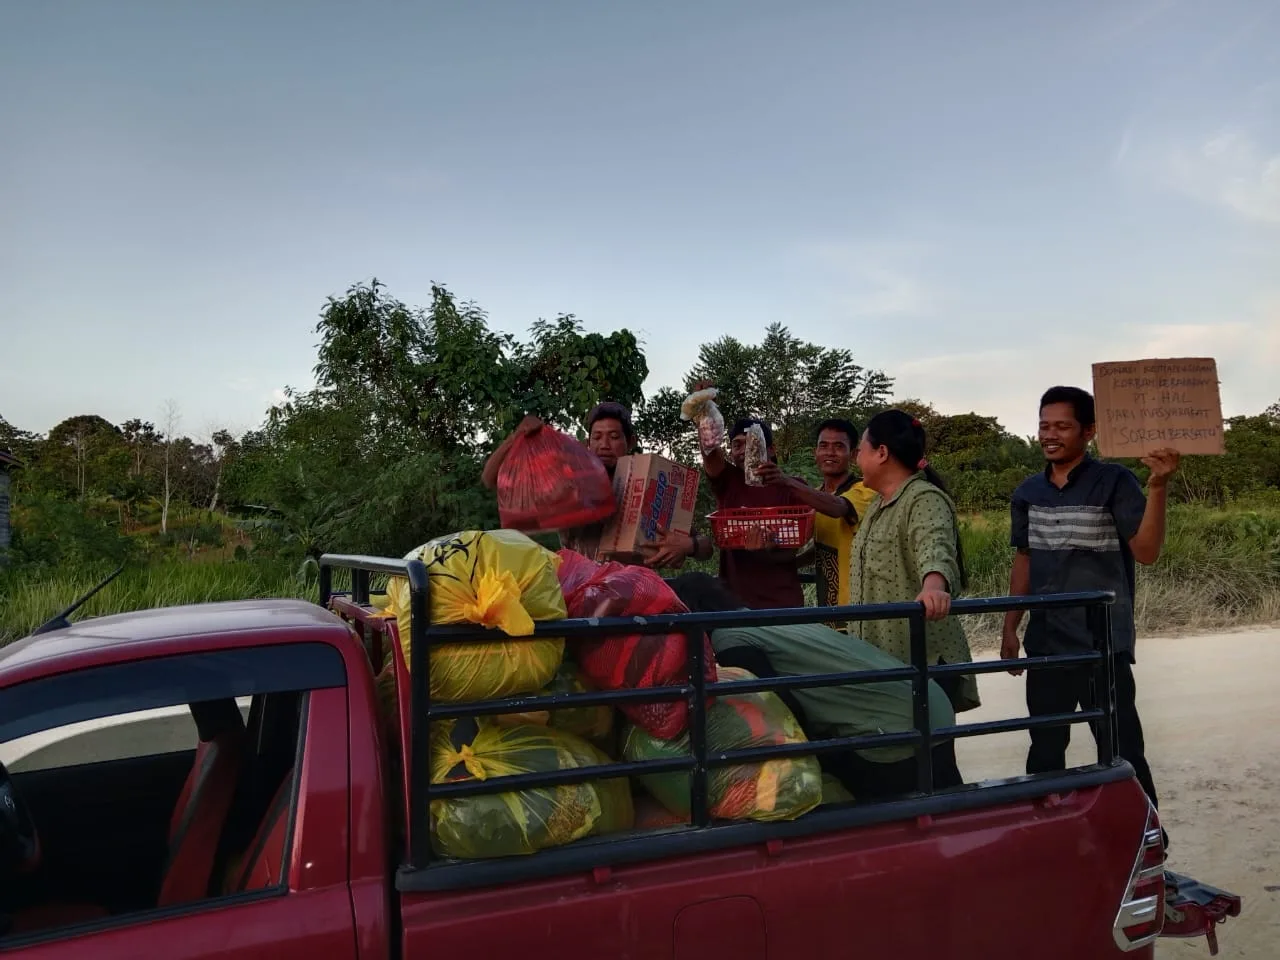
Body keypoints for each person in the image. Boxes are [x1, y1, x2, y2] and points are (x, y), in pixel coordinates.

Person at [1001, 386, 1178, 828]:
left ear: (1089, 431)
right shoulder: (1028, 492)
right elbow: (1024, 560)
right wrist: (1010, 627)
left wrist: (1158, 486)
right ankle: (1044, 837)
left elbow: (1146, 552)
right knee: (1045, 749)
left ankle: (1148, 840)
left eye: (1062, 426)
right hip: (1046, 642)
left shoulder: (1115, 481)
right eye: (1044, 425)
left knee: (1122, 750)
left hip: (1103, 642)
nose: (1050, 435)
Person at [668, 572, 962, 800]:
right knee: (950, 811)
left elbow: (783, 712)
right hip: (929, 703)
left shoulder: (730, 639)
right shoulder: (762, 619)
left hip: (897, 728)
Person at [849, 410, 979, 713]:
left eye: (860, 450)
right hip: (882, 658)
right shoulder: (878, 504)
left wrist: (933, 587)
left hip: (921, 661)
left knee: (927, 742)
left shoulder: (924, 499)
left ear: (881, 453)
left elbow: (935, 547)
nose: (857, 459)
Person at [482, 403, 712, 568]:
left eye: (614, 437)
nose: (604, 445)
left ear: (630, 442)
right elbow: (491, 479)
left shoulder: (650, 483)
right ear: (588, 443)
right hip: (581, 590)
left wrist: (688, 545)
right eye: (597, 437)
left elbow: (705, 547)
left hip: (637, 595)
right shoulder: (570, 480)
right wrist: (517, 437)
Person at [759, 418, 876, 623]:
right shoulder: (816, 495)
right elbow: (822, 547)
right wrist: (787, 562)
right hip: (827, 609)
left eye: (839, 446)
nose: (830, 452)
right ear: (815, 453)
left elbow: (838, 507)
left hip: (856, 609)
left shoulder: (863, 490)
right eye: (824, 446)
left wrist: (786, 481)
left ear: (853, 455)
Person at [697, 406, 805, 610]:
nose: (744, 451)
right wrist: (705, 408)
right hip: (734, 605)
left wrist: (768, 550)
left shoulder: (793, 486)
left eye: (753, 443)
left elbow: (791, 552)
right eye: (737, 445)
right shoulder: (728, 480)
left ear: (771, 450)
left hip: (783, 604)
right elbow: (710, 454)